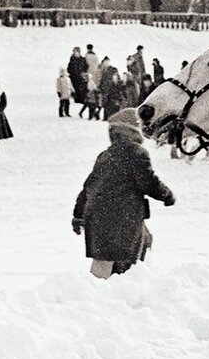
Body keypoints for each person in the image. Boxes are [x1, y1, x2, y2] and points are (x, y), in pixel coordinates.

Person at [72, 108, 175, 279]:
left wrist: (78, 215)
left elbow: (88, 186)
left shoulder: (106, 155)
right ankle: (112, 293)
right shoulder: (135, 152)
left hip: (100, 215)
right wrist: (166, 195)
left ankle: (99, 292)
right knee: (122, 259)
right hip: (120, 216)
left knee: (107, 258)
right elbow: (147, 181)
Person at [68, 47, 90, 115]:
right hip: (74, 77)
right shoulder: (72, 60)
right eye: (75, 52)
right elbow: (69, 68)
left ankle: (81, 99)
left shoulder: (82, 59)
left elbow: (86, 66)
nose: (76, 53)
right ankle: (77, 98)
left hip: (80, 77)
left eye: (77, 52)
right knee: (76, 88)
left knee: (81, 89)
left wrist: (83, 72)